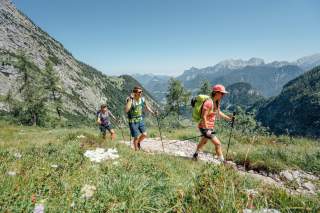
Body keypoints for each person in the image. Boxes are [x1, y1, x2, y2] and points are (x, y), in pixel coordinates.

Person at [192, 84, 233, 162]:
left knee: (203, 141)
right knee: (218, 144)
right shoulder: (208, 103)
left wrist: (229, 119)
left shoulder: (216, 102)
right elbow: (204, 116)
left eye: (223, 93)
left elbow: (218, 112)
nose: (223, 95)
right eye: (222, 93)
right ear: (216, 93)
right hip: (204, 126)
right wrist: (207, 130)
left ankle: (195, 155)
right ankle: (223, 163)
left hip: (209, 127)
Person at [125, 86, 157, 151]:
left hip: (140, 119)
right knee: (136, 137)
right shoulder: (131, 100)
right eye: (139, 92)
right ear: (135, 93)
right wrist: (131, 98)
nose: (141, 93)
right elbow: (126, 110)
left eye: (141, 91)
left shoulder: (142, 99)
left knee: (144, 134)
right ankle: (136, 151)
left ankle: (138, 142)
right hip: (133, 121)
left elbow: (147, 107)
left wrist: (153, 112)